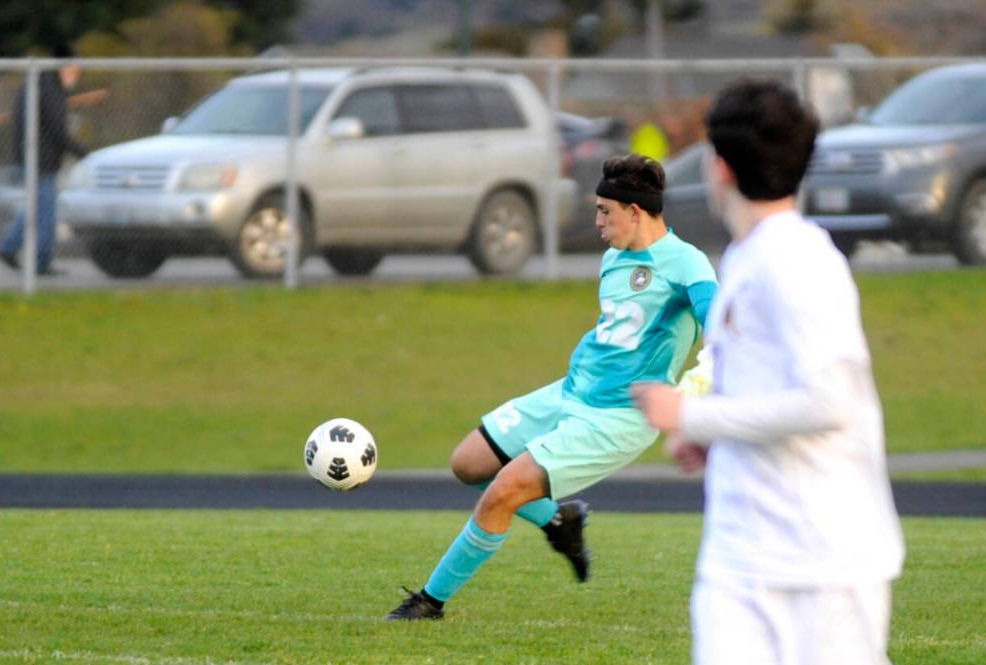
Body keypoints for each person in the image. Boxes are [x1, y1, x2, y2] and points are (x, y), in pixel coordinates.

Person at [633, 80, 905, 665]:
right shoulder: (745, 257)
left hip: (822, 566)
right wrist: (712, 437)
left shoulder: (799, 261)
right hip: (744, 554)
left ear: (720, 167)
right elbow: (770, 394)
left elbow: (830, 402)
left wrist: (692, 413)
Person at [386, 153, 718, 620]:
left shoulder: (688, 265)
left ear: (635, 211)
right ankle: (560, 521)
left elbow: (725, 336)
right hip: (570, 393)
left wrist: (687, 398)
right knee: (469, 463)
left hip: (617, 418)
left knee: (503, 492)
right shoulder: (613, 259)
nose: (598, 222)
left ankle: (429, 601)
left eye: (605, 211)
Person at [0, 43, 87, 276]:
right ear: (64, 68)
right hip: (40, 162)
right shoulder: (49, 88)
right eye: (74, 70)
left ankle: (8, 247)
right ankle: (41, 263)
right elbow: (58, 130)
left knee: (35, 208)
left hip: (35, 159)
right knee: (45, 214)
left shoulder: (41, 84)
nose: (76, 76)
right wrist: (84, 154)